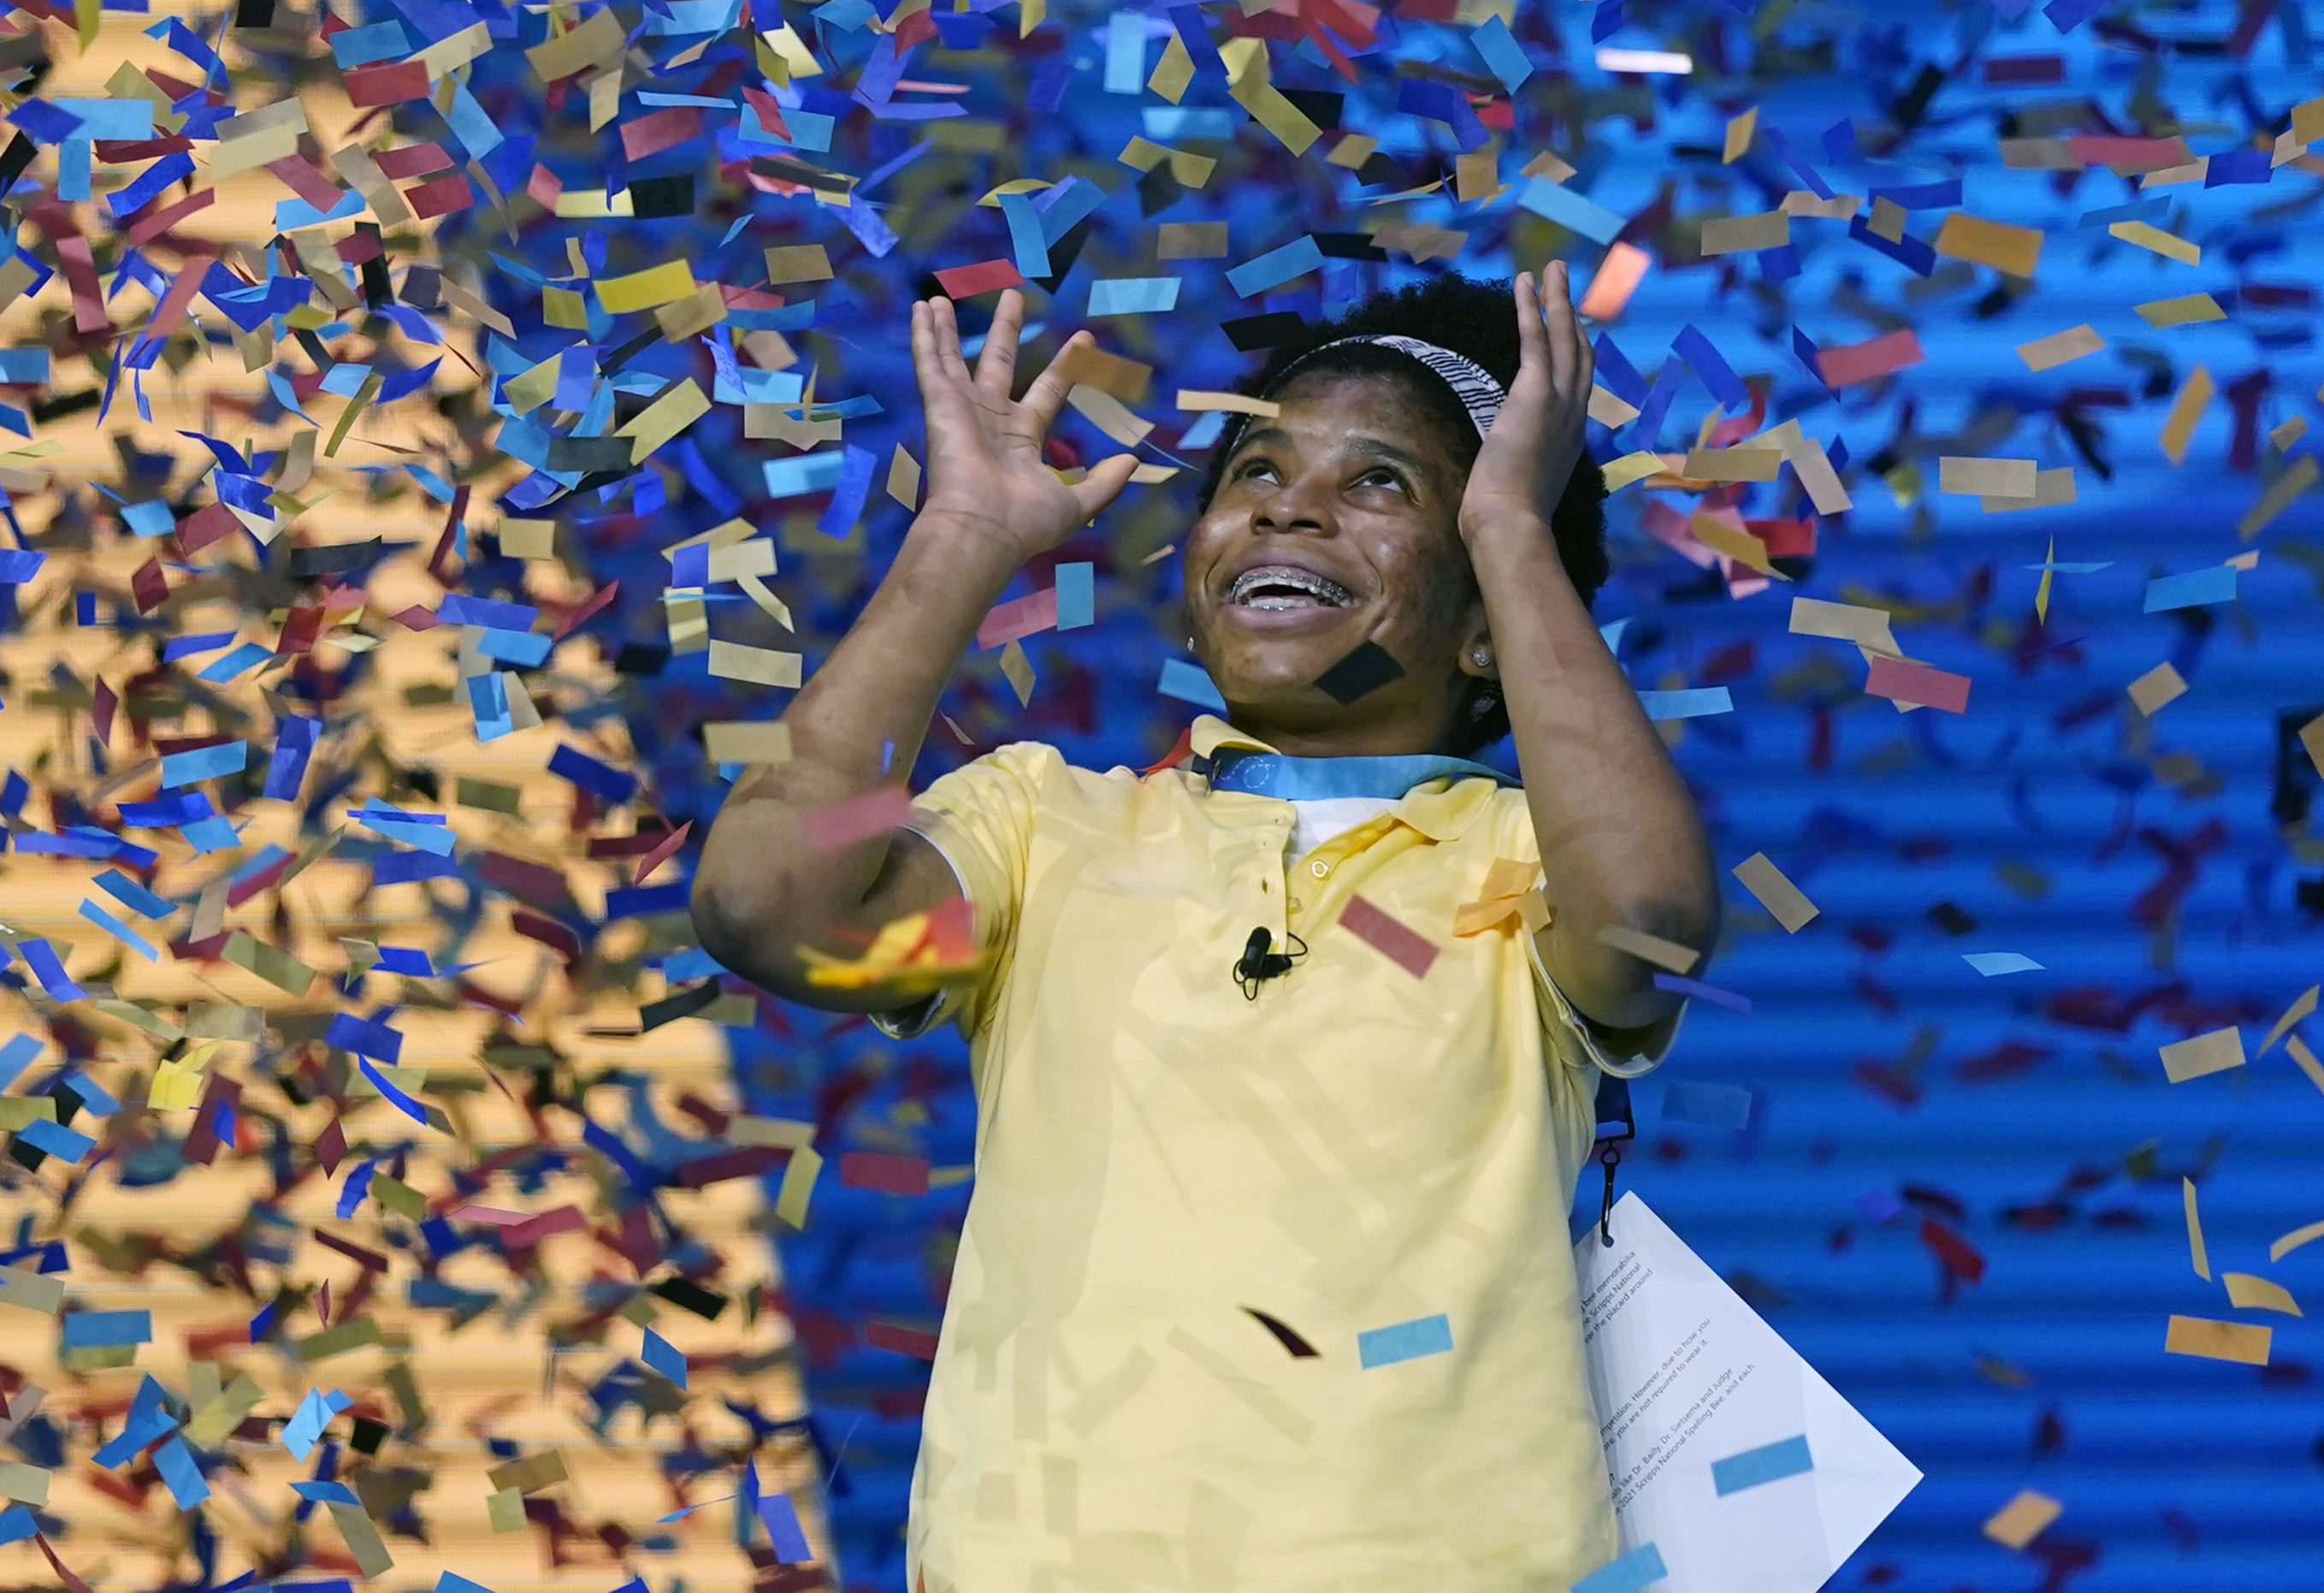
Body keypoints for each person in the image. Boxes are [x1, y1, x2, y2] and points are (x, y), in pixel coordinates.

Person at [694, 262, 1720, 1593]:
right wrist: (959, 537)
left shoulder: (1532, 866)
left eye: (1379, 484)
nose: (1289, 503)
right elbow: (765, 905)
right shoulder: (1043, 830)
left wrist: (1516, 533)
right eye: (1253, 470)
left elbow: (1646, 925)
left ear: (1483, 624)